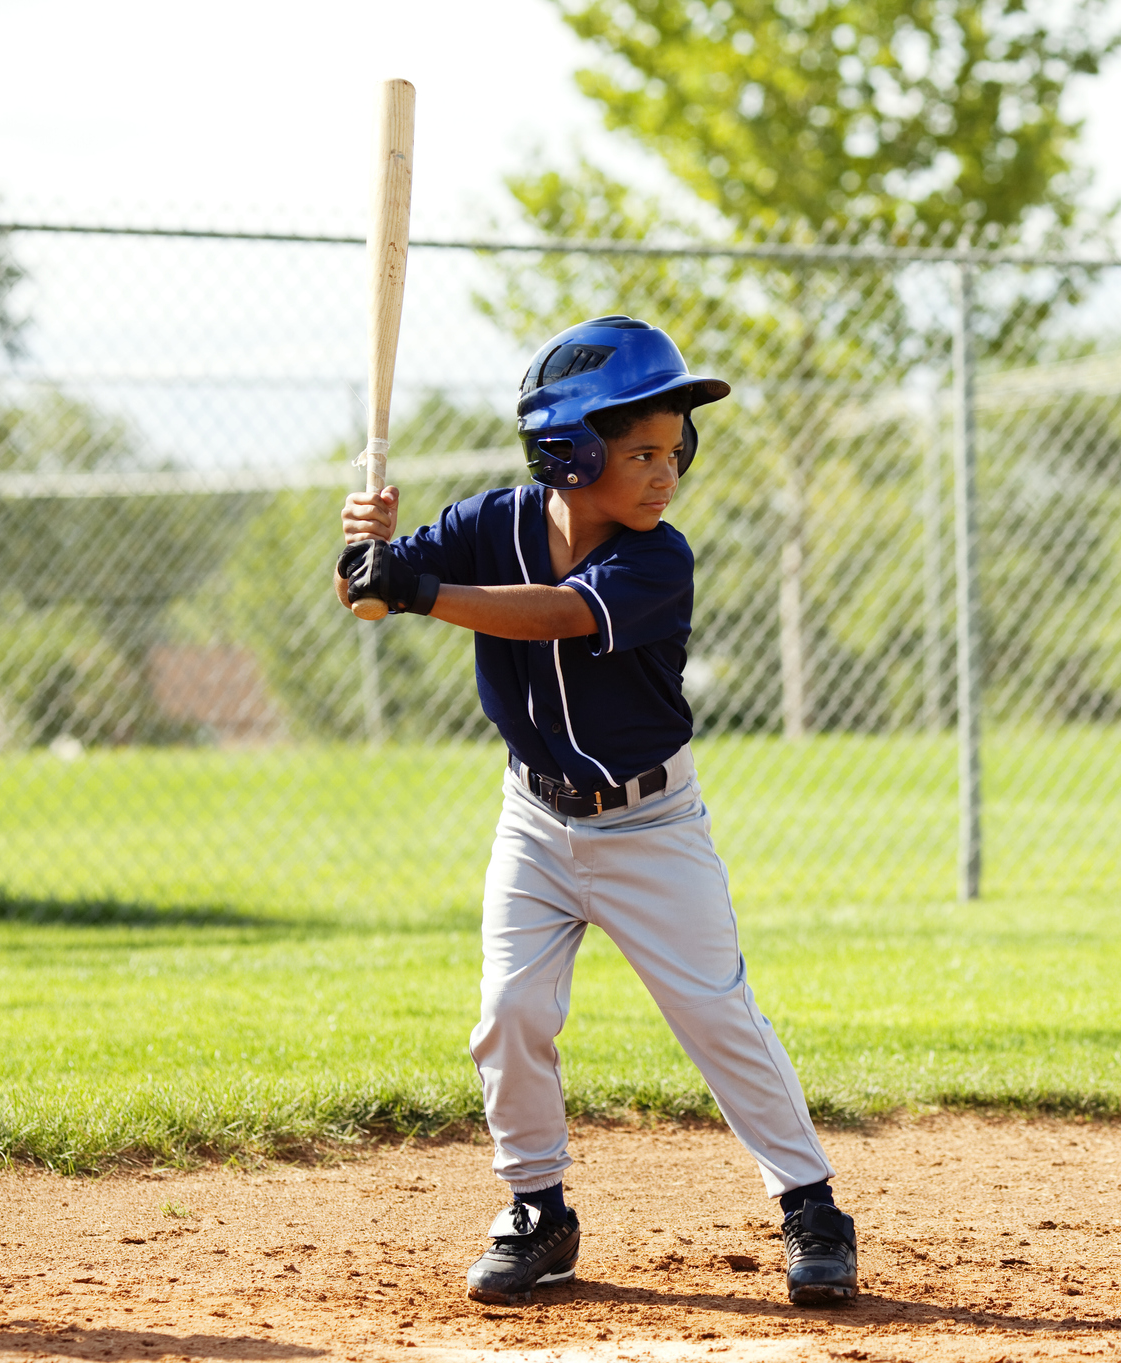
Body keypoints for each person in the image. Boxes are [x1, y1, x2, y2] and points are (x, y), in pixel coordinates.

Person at [334, 315, 859, 1307]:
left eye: (676, 450)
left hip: (651, 826)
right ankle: (538, 1211)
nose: (667, 472)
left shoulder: (660, 559)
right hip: (534, 821)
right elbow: (369, 595)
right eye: (641, 452)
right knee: (509, 1014)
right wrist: (365, 554)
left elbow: (557, 613)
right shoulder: (488, 522)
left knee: (714, 1013)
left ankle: (811, 1204)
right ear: (566, 454)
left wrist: (416, 585)